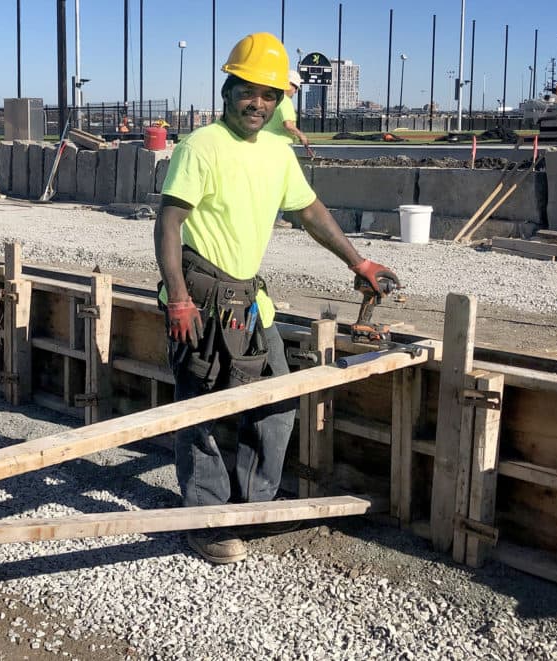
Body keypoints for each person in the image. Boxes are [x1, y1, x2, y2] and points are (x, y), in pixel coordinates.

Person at [153, 32, 398, 565]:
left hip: (248, 296)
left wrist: (359, 262)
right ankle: (206, 520)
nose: (257, 103)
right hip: (202, 291)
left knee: (277, 403)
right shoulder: (202, 146)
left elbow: (309, 211)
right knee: (199, 408)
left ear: (279, 98)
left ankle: (251, 507)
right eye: (247, 90)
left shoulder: (278, 150)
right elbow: (169, 222)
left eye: (268, 94)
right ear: (228, 89)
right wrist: (177, 298)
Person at [263, 69, 311, 150]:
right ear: (288, 84)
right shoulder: (285, 101)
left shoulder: (271, 99)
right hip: (282, 144)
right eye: (295, 87)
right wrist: (301, 135)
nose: (295, 91)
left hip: (266, 141)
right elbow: (288, 124)